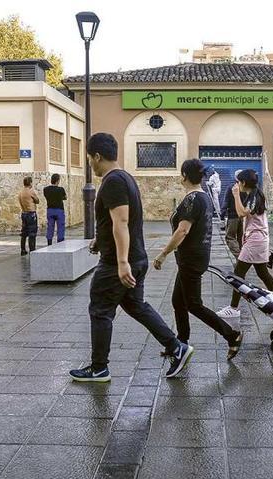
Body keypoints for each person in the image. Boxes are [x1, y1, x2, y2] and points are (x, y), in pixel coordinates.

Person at [69, 133, 193, 382]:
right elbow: (117, 222)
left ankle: (99, 368)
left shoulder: (112, 181)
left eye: (89, 159)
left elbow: (122, 221)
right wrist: (100, 240)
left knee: (101, 309)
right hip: (135, 257)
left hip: (118, 262)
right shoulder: (125, 177)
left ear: (97, 156)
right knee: (135, 305)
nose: (90, 165)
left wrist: (122, 262)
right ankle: (176, 346)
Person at [153, 159, 243, 360]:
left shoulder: (193, 199)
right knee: (178, 301)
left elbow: (182, 230)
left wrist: (163, 253)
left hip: (191, 259)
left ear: (184, 175)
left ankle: (232, 335)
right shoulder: (203, 197)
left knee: (193, 304)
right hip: (193, 258)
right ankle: (180, 343)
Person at [217, 169, 273, 318]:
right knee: (263, 273)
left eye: (239, 181)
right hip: (259, 240)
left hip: (255, 241)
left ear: (243, 183)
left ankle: (233, 308)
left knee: (238, 275)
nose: (237, 184)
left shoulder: (254, 197)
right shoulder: (255, 194)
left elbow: (240, 213)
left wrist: (235, 195)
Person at [222, 169, 246, 256]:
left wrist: (222, 214)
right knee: (241, 238)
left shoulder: (231, 187)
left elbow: (226, 201)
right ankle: (242, 259)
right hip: (243, 217)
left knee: (230, 237)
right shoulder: (246, 188)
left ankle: (239, 256)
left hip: (233, 217)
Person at [43, 173, 67, 245]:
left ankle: (49, 242)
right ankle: (60, 242)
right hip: (59, 210)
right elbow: (65, 197)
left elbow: (46, 196)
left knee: (50, 226)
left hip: (50, 210)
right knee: (60, 226)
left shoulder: (46, 189)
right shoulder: (61, 189)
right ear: (57, 181)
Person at [18, 176, 39, 255]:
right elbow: (37, 201)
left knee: (24, 233)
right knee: (32, 233)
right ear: (30, 183)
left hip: (24, 213)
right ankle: (32, 250)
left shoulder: (20, 192)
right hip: (31, 213)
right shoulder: (31, 192)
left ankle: (23, 250)